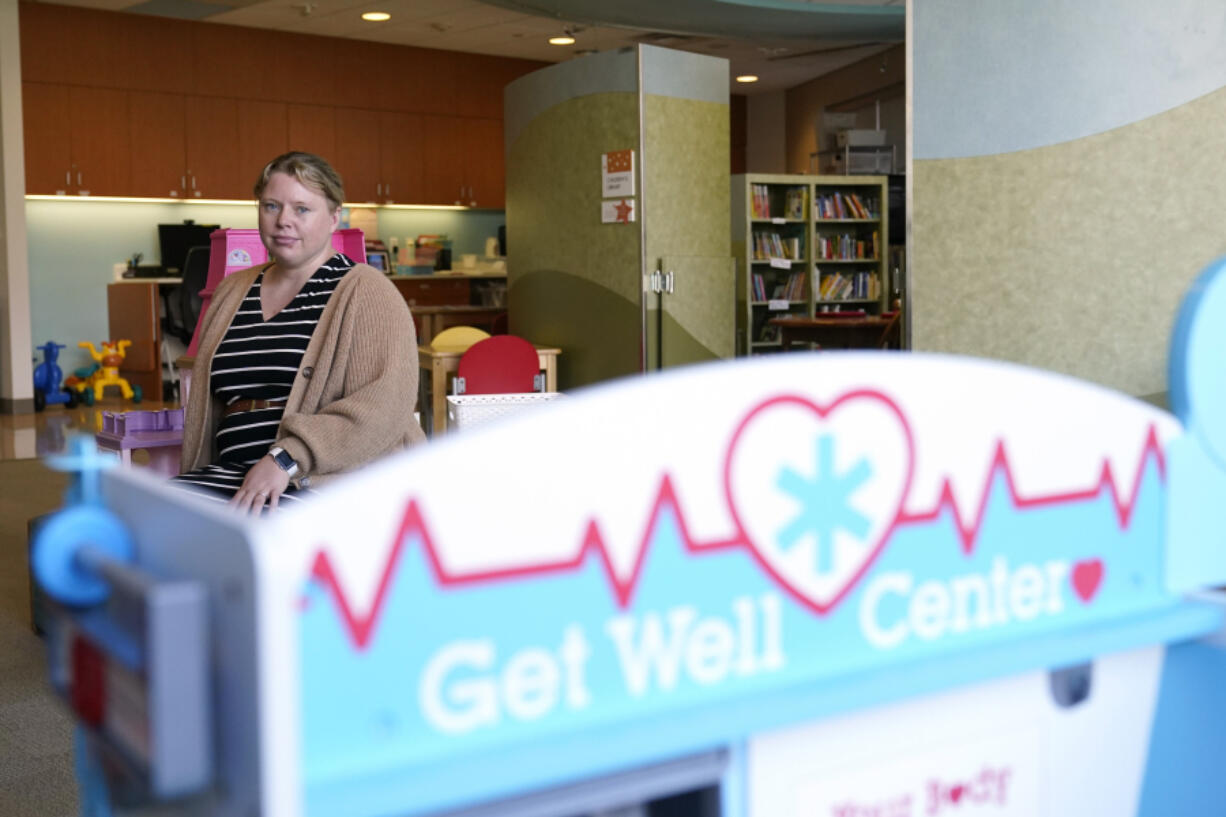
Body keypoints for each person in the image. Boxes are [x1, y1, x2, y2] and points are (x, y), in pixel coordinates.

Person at [173, 151, 425, 513]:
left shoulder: (367, 291)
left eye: (302, 209)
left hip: (327, 477)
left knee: (243, 541)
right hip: (235, 474)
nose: (282, 221)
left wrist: (284, 459)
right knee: (150, 520)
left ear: (334, 217)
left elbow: (382, 407)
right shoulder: (232, 291)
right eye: (271, 206)